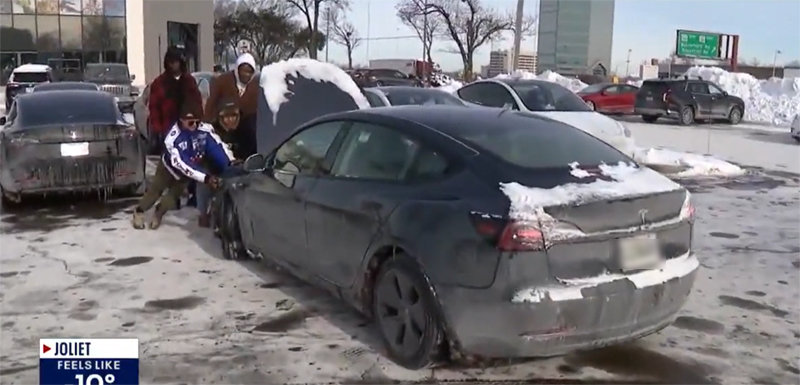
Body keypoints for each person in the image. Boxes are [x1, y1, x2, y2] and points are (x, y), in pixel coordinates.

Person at [132, 101, 233, 230]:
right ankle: (139, 211)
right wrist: (205, 178)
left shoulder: (204, 129)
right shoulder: (173, 138)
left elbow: (217, 146)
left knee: (172, 197)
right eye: (190, 122)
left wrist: (229, 162)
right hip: (169, 168)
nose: (194, 125)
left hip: (190, 169)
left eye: (197, 122)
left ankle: (159, 212)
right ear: (181, 120)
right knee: (155, 191)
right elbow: (182, 163)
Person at [196, 99, 242, 227]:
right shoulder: (211, 131)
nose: (230, 120)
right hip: (213, 166)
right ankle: (203, 213)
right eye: (226, 117)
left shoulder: (244, 130)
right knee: (203, 179)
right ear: (220, 118)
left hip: (236, 169)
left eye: (233, 116)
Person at [203, 52, 259, 159]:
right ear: (237, 69)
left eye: (249, 72)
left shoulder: (255, 87)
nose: (246, 75)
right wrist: (207, 124)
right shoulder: (223, 81)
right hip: (223, 125)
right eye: (243, 70)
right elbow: (212, 102)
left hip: (244, 130)